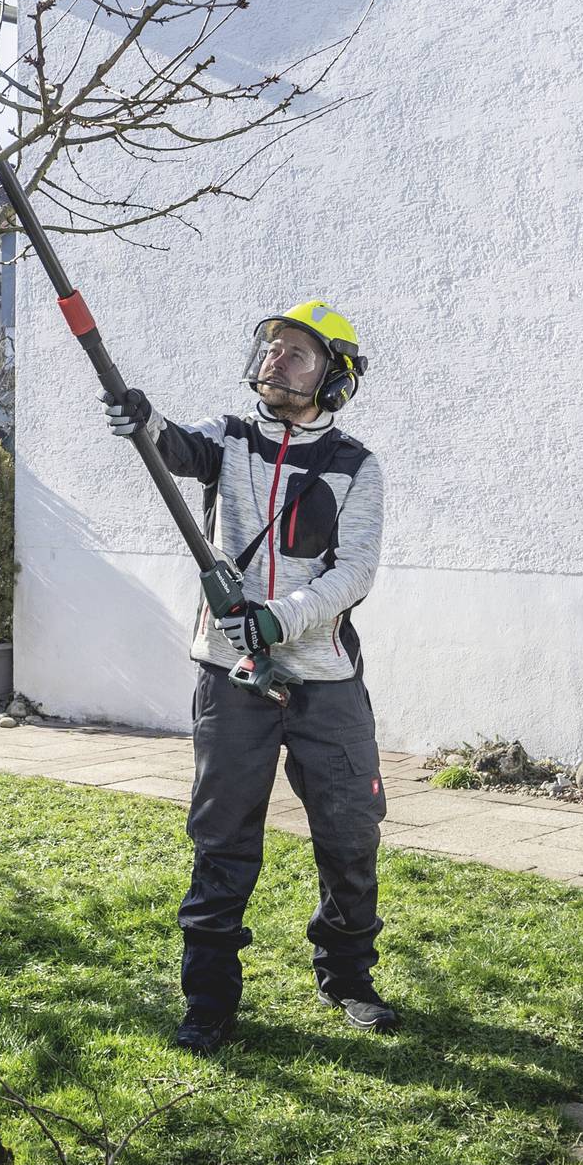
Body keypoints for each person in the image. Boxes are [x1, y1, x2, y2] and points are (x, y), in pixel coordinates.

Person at [105, 301, 390, 1054]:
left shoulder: (356, 468)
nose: (276, 359)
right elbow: (175, 448)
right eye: (271, 347)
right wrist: (143, 418)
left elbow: (353, 572)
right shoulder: (229, 440)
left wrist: (276, 618)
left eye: (298, 353)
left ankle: (349, 977)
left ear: (336, 378)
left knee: (351, 834)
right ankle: (209, 1005)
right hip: (230, 678)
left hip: (324, 676)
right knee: (223, 837)